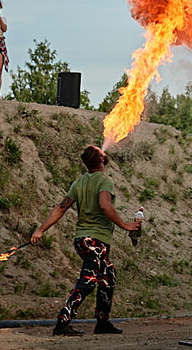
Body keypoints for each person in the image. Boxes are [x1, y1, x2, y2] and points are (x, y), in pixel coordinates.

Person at [31, 144, 142, 336]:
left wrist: (41, 229)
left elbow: (62, 207)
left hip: (82, 240)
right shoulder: (105, 181)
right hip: (95, 242)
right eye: (101, 151)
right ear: (100, 159)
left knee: (108, 275)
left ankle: (103, 323)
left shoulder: (79, 182)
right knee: (88, 281)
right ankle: (62, 323)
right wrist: (125, 225)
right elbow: (105, 206)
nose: (104, 151)